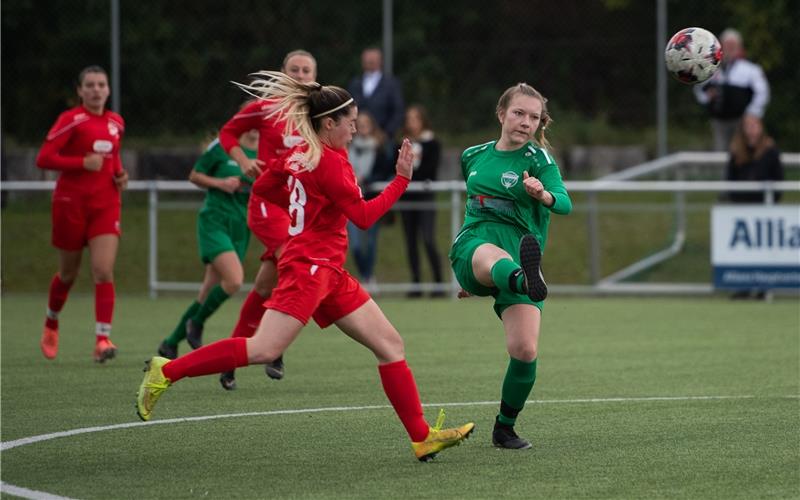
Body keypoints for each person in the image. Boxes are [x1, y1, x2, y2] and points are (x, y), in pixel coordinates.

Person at [137, 73, 474, 461]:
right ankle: (166, 371)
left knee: (390, 344)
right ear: (328, 123)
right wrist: (400, 180)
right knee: (264, 348)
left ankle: (421, 437)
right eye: (350, 121)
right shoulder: (330, 163)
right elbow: (363, 217)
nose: (355, 128)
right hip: (310, 269)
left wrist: (303, 216)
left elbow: (263, 188)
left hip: (328, 270)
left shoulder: (300, 154)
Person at [184, 50, 318, 391]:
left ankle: (231, 359)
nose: (301, 75)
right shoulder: (265, 108)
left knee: (263, 286)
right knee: (294, 262)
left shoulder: (318, 113)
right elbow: (228, 134)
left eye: (307, 70)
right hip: (267, 203)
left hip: (298, 209)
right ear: (283, 73)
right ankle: (275, 347)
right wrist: (243, 160)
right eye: (294, 69)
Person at [448, 83, 572, 450]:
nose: (525, 122)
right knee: (492, 257)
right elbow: (474, 206)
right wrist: (474, 275)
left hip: (518, 253)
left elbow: (564, 204)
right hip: (474, 245)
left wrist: (542, 194)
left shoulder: (539, 161)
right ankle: (520, 278)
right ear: (501, 114)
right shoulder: (473, 155)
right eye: (519, 113)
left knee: (525, 350)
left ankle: (504, 427)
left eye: (534, 117)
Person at [36, 65, 129, 363]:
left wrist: (120, 175)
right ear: (80, 91)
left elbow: (112, 159)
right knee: (68, 274)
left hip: (105, 204)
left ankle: (102, 339)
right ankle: (51, 322)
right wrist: (80, 163)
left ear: (108, 89)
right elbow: (44, 157)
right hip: (70, 204)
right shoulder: (70, 120)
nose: (96, 90)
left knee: (102, 270)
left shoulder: (116, 122)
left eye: (101, 84)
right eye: (89, 85)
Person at [156, 129, 258, 361]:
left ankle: (170, 343)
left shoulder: (265, 151)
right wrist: (221, 183)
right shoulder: (222, 147)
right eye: (251, 119)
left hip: (241, 226)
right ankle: (197, 323)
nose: (255, 126)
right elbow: (195, 175)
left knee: (207, 292)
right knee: (233, 281)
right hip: (215, 221)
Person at [725, 114, 784, 300]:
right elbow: (730, 179)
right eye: (748, 126)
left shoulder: (770, 151)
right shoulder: (736, 152)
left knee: (763, 250)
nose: (751, 129)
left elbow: (778, 179)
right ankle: (743, 287)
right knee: (742, 250)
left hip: (763, 209)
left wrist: (771, 201)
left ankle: (763, 288)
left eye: (754, 125)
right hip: (743, 209)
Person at [693, 28, 770, 151]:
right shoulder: (711, 68)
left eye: (733, 45)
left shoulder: (750, 70)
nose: (729, 48)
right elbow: (699, 89)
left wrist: (752, 114)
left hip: (741, 121)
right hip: (718, 121)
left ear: (739, 47)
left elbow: (762, 93)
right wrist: (708, 97)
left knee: (741, 153)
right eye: (726, 45)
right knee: (720, 154)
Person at [399, 105, 444, 297]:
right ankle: (416, 283)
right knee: (410, 241)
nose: (412, 123)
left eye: (415, 118)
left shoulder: (432, 143)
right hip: (407, 197)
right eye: (409, 119)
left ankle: (438, 283)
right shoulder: (402, 143)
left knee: (427, 239)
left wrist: (412, 177)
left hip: (424, 196)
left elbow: (430, 170)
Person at [347, 111, 388, 290]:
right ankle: (365, 275)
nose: (362, 127)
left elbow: (385, 170)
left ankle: (368, 276)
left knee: (370, 243)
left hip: (371, 199)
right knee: (355, 245)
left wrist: (368, 178)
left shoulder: (379, 148)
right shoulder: (347, 145)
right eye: (359, 123)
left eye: (366, 123)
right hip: (352, 202)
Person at [347, 47, 404, 159]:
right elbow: (348, 109)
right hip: (356, 139)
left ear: (380, 61)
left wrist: (385, 134)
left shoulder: (391, 84)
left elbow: (398, 111)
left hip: (383, 142)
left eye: (373, 59)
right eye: (368, 59)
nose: (370, 61)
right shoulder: (355, 83)